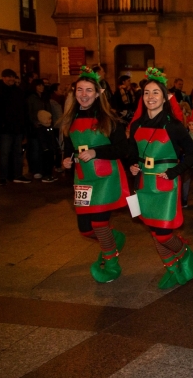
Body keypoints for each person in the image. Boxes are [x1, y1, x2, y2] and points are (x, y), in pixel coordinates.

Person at [128, 68, 193, 289]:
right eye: (147, 93)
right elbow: (133, 152)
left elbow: (192, 155)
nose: (150, 97)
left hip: (165, 183)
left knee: (163, 231)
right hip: (144, 183)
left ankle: (184, 253)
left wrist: (173, 172)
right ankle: (171, 266)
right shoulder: (137, 125)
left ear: (164, 96)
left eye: (155, 93)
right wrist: (132, 165)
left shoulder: (173, 124)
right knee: (152, 227)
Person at [60, 66, 129, 283]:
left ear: (98, 93)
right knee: (85, 229)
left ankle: (111, 265)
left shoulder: (110, 118)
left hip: (106, 178)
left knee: (99, 224)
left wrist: (96, 151)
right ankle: (113, 238)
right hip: (83, 178)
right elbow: (69, 146)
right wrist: (66, 159)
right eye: (80, 90)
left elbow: (122, 149)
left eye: (89, 90)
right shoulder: (69, 118)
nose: (84, 94)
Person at [0, 69, 31, 184]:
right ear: (3, 77)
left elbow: (24, 110)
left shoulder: (18, 91)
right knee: (4, 153)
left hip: (17, 128)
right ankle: (3, 176)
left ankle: (17, 174)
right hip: (4, 129)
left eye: (13, 77)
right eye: (9, 77)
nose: (11, 79)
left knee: (17, 153)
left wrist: (23, 127)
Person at [26, 78, 50, 179]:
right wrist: (35, 122)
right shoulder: (31, 98)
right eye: (39, 85)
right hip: (35, 128)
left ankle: (44, 169)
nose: (41, 87)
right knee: (35, 149)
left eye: (42, 85)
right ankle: (36, 169)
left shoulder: (44, 98)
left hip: (45, 126)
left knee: (44, 148)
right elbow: (29, 112)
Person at [36, 110, 58, 183]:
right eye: (49, 119)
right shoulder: (41, 129)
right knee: (46, 163)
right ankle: (45, 175)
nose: (50, 120)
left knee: (51, 162)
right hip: (45, 150)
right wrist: (45, 148)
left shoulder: (50, 128)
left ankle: (50, 174)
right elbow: (42, 140)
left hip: (51, 148)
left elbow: (53, 138)